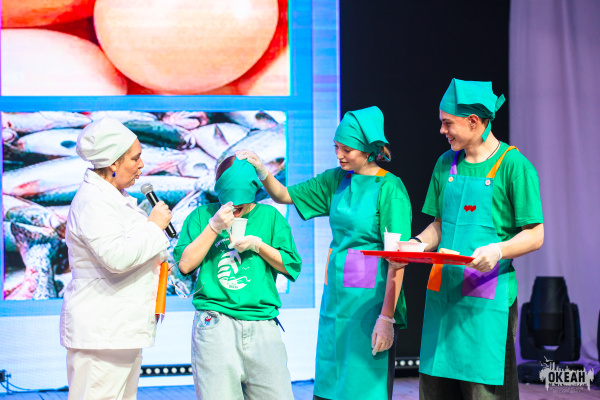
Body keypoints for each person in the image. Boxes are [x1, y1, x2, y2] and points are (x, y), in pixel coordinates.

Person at [237, 105, 412, 400]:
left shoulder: (390, 188)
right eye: (335, 147)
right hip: (336, 296)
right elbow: (284, 195)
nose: (339, 155)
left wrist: (386, 318)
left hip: (370, 301)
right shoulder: (336, 180)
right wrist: (262, 170)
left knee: (363, 385)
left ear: (369, 150)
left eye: (347, 149)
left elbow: (398, 259)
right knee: (331, 381)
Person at [412, 78, 544, 399]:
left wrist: (498, 250)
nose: (442, 130)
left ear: (473, 121)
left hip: (486, 299)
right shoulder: (445, 164)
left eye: (448, 123)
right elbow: (439, 225)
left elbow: (535, 235)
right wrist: (415, 245)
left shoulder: (514, 166)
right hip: (444, 295)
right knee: (437, 388)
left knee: (483, 390)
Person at [59, 117, 173, 399]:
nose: (141, 165)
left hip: (120, 329)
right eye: (135, 158)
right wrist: (154, 226)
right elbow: (117, 257)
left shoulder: (113, 198)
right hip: (102, 332)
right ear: (113, 162)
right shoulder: (94, 201)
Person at [173, 156, 302, 400]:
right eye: (229, 202)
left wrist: (259, 246)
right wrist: (213, 227)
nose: (235, 208)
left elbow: (291, 265)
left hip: (263, 323)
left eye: (241, 203)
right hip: (216, 324)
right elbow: (185, 265)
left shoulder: (270, 217)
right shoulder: (201, 216)